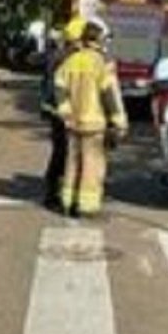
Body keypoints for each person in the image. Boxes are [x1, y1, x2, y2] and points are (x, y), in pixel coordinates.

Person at [54, 18, 129, 219]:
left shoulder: (70, 60)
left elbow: (59, 88)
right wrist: (119, 121)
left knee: (72, 163)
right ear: (99, 39)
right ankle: (86, 206)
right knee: (92, 165)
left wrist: (66, 113)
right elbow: (109, 94)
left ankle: (67, 201)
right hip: (94, 124)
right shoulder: (101, 62)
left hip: (72, 123)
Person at [39, 18, 83, 211]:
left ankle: (61, 192)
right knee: (65, 152)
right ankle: (55, 194)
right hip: (61, 113)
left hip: (64, 112)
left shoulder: (66, 56)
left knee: (65, 152)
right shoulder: (63, 59)